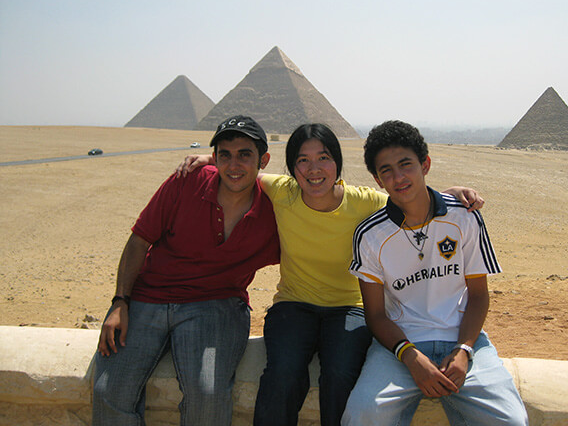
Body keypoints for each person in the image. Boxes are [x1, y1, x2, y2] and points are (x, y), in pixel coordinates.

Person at [176, 123, 484, 426]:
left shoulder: (363, 202)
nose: (314, 169)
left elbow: (410, 197)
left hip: (350, 308)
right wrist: (208, 160)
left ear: (337, 163)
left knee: (340, 375)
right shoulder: (283, 192)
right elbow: (241, 171)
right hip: (294, 304)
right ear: (292, 169)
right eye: (303, 160)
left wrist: (450, 193)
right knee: (283, 372)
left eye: (323, 158)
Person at [92, 115, 280, 426]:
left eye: (245, 155)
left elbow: (325, 202)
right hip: (148, 298)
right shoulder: (186, 181)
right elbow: (139, 240)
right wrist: (119, 302)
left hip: (215, 304)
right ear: (216, 158)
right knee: (108, 390)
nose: (234, 165)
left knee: (207, 393)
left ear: (264, 160)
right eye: (225, 155)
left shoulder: (275, 208)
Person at [342, 120, 528, 426]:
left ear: (425, 164)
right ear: (377, 179)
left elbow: (479, 296)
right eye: (386, 170)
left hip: (464, 338)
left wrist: (464, 351)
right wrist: (412, 359)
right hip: (399, 347)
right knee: (362, 415)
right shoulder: (370, 235)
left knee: (512, 421)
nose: (399, 177)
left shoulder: (464, 218)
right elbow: (375, 315)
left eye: (406, 165)